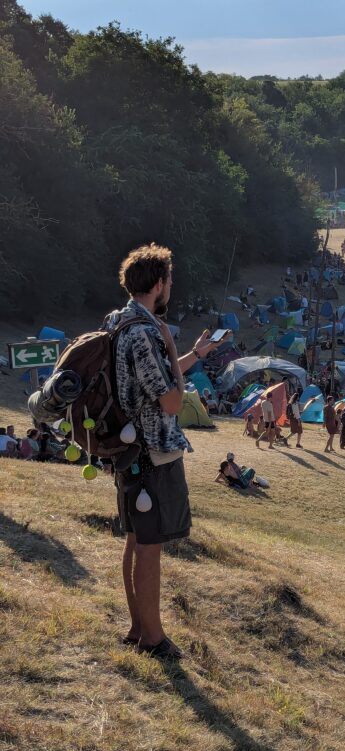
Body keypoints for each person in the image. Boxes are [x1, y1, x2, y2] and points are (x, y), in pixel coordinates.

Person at [107, 243, 220, 660]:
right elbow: (170, 400)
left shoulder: (119, 322)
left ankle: (138, 628)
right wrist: (174, 355)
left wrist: (191, 356)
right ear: (158, 283)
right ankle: (153, 638)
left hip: (129, 446)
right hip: (152, 452)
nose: (171, 286)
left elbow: (147, 379)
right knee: (149, 546)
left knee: (136, 539)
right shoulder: (143, 332)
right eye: (170, 280)